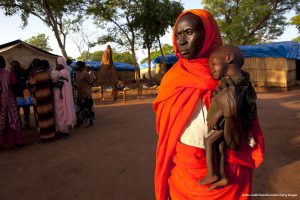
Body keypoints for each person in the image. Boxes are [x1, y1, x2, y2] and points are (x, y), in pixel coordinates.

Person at [153, 9, 265, 199]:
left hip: (229, 178)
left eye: (189, 32)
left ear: (208, 34)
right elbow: (166, 134)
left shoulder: (225, 75)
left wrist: (232, 115)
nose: (181, 41)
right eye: (178, 34)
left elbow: (241, 140)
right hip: (183, 173)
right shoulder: (171, 80)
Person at [199, 45, 258, 190]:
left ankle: (212, 173)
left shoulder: (236, 82)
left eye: (213, 63)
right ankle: (223, 177)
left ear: (229, 58)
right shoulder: (242, 79)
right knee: (220, 146)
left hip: (227, 122)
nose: (211, 68)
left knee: (208, 142)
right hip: (230, 123)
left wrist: (218, 114)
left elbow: (234, 103)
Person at [27, 58, 55, 142]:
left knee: (42, 117)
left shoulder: (34, 75)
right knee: (49, 115)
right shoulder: (46, 73)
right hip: (48, 97)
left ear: (34, 65)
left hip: (40, 99)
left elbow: (29, 83)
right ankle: (51, 135)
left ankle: (44, 136)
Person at [0, 56, 22, 150]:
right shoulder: (9, 74)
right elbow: (15, 85)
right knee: (14, 120)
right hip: (9, 100)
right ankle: (17, 143)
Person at [53, 57, 77, 137]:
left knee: (60, 112)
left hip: (60, 94)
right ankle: (63, 129)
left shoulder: (61, 71)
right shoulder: (65, 71)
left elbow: (57, 81)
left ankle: (62, 129)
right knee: (61, 111)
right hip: (62, 94)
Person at [10, 60, 31, 128]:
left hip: (21, 94)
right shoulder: (12, 74)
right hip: (18, 95)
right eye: (14, 65)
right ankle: (22, 124)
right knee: (21, 110)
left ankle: (25, 123)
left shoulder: (21, 72)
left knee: (24, 109)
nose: (15, 66)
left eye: (15, 65)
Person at [76, 61, 95, 127]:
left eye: (77, 65)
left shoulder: (85, 74)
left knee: (88, 108)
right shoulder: (77, 73)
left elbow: (91, 81)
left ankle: (90, 121)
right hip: (80, 94)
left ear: (81, 66)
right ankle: (82, 121)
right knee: (81, 108)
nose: (76, 66)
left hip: (86, 93)